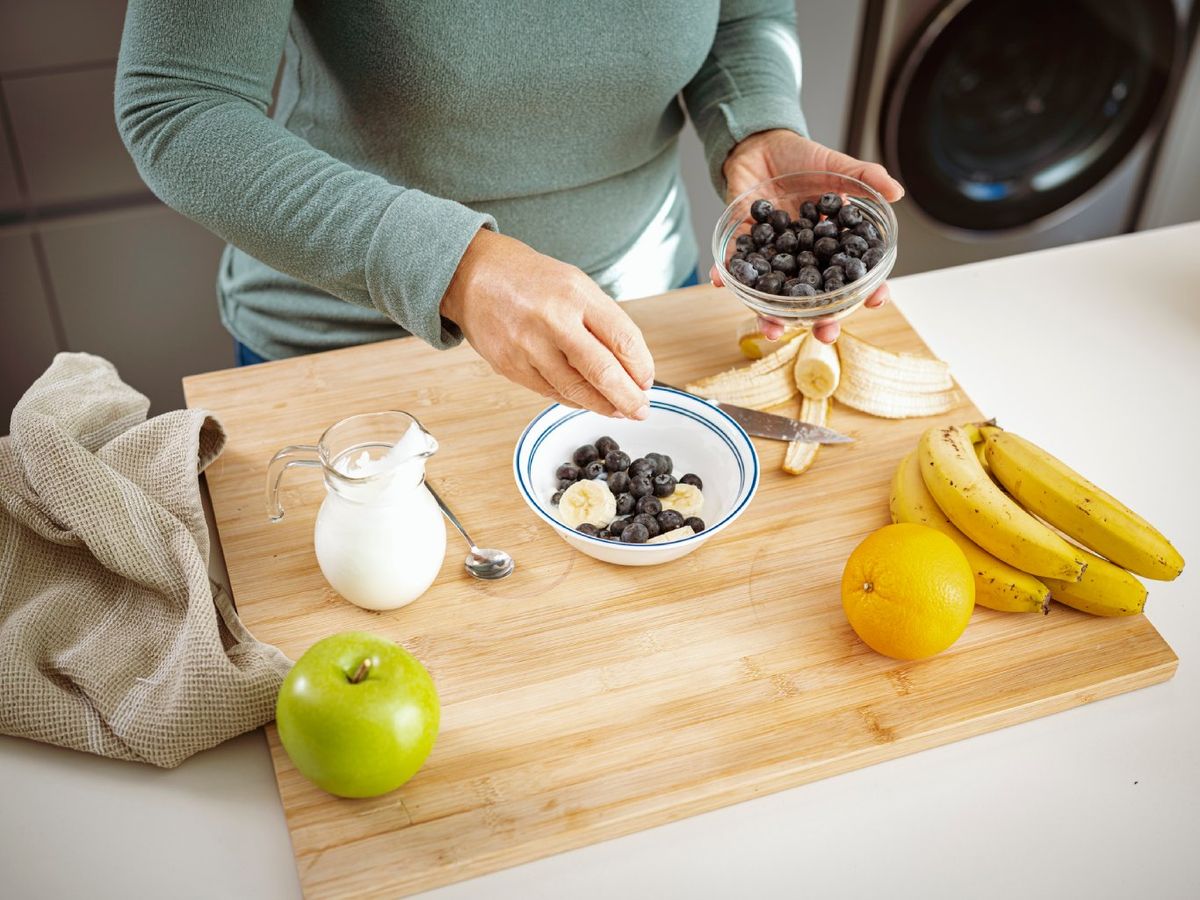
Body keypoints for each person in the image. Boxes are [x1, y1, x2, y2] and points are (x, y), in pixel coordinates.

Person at [116, 1, 902, 421]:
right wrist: (455, 266)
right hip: (355, 355)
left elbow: (739, 16)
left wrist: (755, 125)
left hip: (637, 326)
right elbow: (179, 106)